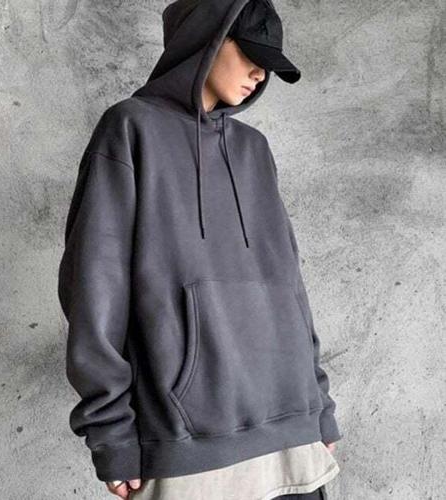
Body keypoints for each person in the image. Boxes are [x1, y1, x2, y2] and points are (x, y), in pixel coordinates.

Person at [57, 1, 344, 499]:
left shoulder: (254, 150)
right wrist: (111, 434)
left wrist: (319, 407)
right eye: (251, 54)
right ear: (207, 39)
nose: (260, 74)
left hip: (292, 426)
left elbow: (290, 288)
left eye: (268, 64)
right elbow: (95, 293)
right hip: (192, 441)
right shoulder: (131, 129)